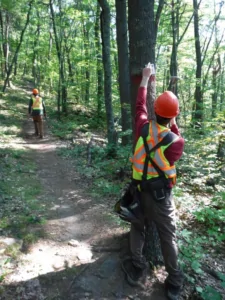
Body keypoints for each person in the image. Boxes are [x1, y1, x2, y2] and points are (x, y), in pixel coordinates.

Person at [121, 63, 185, 300]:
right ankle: (174, 281)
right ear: (173, 116)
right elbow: (176, 136)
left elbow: (139, 106)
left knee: (137, 228)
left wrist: (145, 79)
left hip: (138, 192)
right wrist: (173, 119)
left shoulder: (143, 127)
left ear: (154, 110)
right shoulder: (176, 143)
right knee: (168, 238)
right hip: (160, 198)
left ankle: (138, 267)